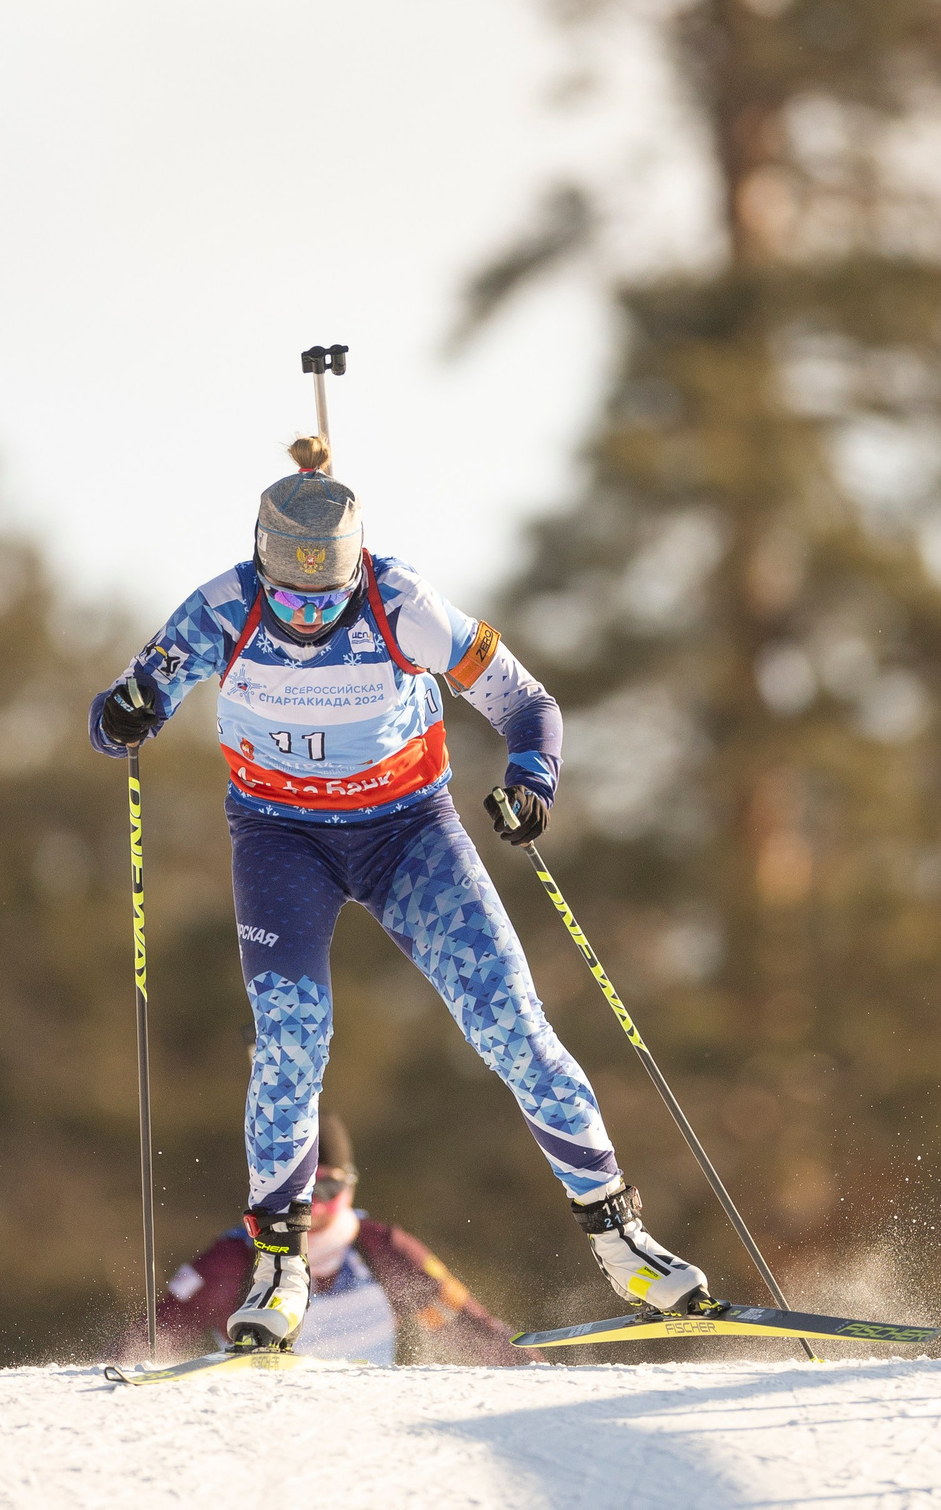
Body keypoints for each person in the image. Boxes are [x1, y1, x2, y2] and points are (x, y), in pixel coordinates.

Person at [90, 436, 707, 1350]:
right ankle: (279, 1265)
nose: (305, 615)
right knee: (292, 1038)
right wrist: (126, 711)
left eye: (325, 596)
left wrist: (532, 780)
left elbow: (528, 704)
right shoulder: (220, 610)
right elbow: (119, 714)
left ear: (355, 568)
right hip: (282, 841)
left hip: (408, 835)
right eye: (289, 596)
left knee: (509, 1019)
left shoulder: (402, 603)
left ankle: (621, 1237)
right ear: (260, 560)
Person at [146, 1115, 527, 1365]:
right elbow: (153, 1338)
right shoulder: (233, 1260)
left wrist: (529, 1368)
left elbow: (465, 1324)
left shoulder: (382, 1248)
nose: (312, 1201)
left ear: (350, 1187)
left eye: (327, 1186)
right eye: (300, 1188)